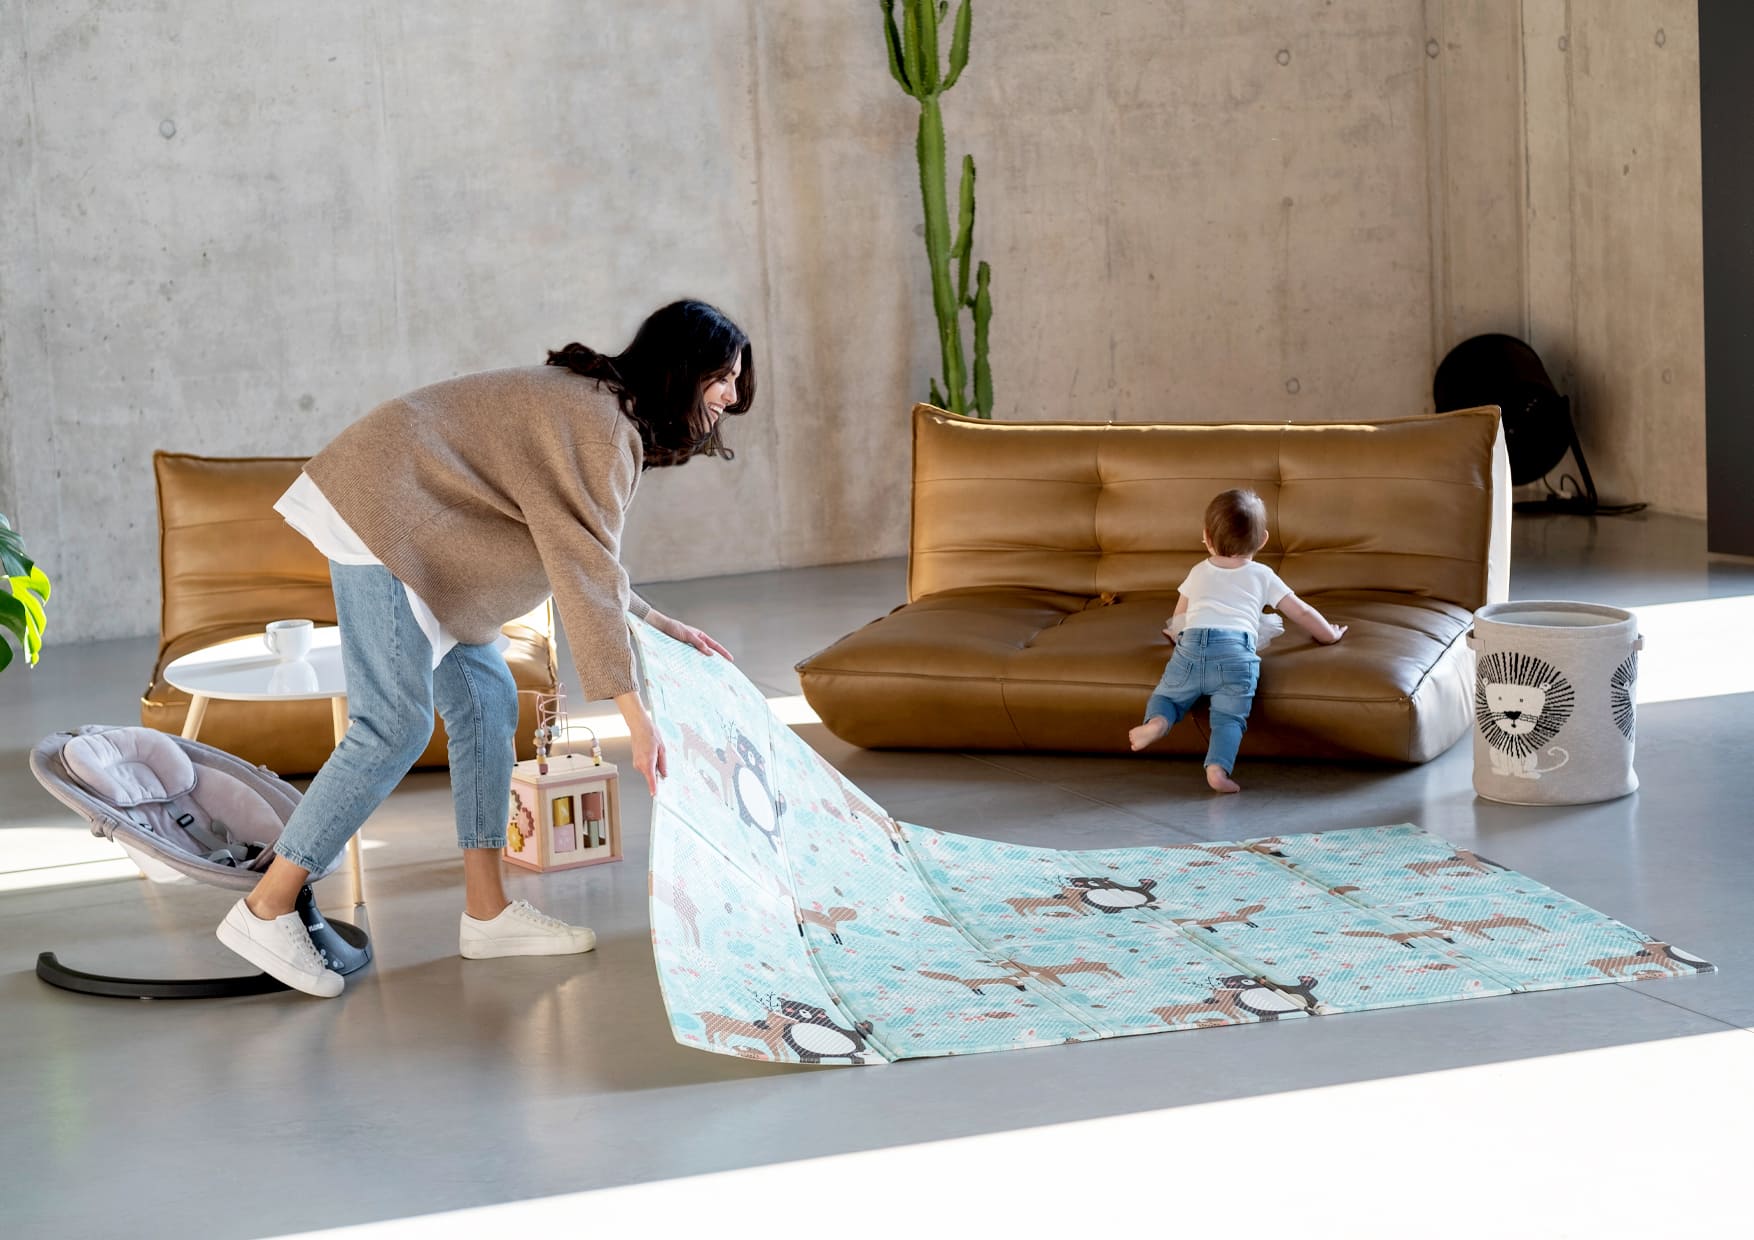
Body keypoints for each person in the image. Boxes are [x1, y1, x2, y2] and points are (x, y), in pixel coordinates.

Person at [216, 299, 751, 997]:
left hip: (417, 530)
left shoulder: (605, 414)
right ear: (682, 367)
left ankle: (488, 911)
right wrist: (636, 717)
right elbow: (585, 571)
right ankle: (268, 905)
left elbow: (580, 554)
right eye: (723, 377)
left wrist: (656, 623)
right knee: (394, 726)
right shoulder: (602, 425)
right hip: (386, 515)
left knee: (488, 703)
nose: (732, 397)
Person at [1127, 488, 1345, 794]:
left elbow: (1179, 619)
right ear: (1263, 539)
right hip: (1236, 655)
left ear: (1206, 537)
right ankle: (1217, 769)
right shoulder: (1263, 574)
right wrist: (1329, 634)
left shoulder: (1198, 571)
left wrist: (1175, 635)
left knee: (1168, 697)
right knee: (1229, 718)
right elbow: (1302, 612)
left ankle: (1157, 724)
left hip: (1191, 648)